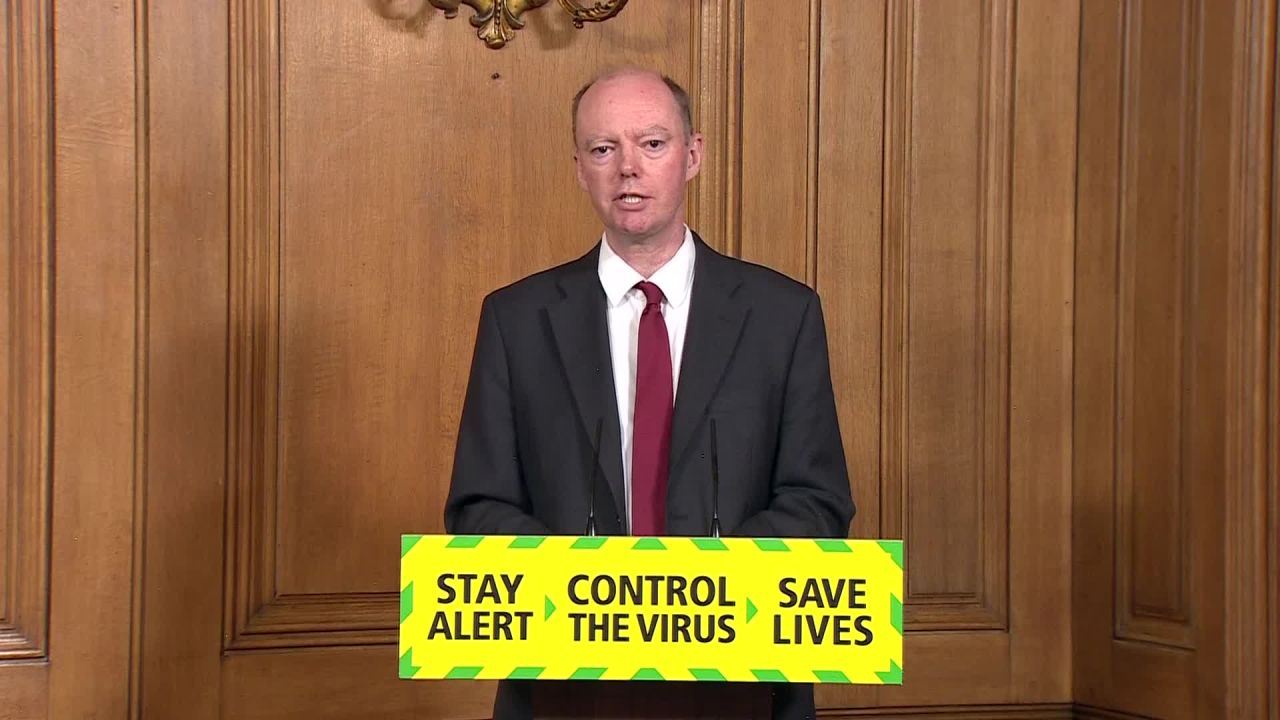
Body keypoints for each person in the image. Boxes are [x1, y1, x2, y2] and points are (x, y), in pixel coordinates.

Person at [445, 67, 854, 720]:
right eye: (604, 149)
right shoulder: (516, 320)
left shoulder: (784, 314)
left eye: (652, 144)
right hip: (564, 691)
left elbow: (819, 502)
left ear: (693, 155)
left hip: (743, 688)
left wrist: (692, 597)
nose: (628, 169)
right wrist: (597, 596)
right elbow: (478, 509)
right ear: (580, 167)